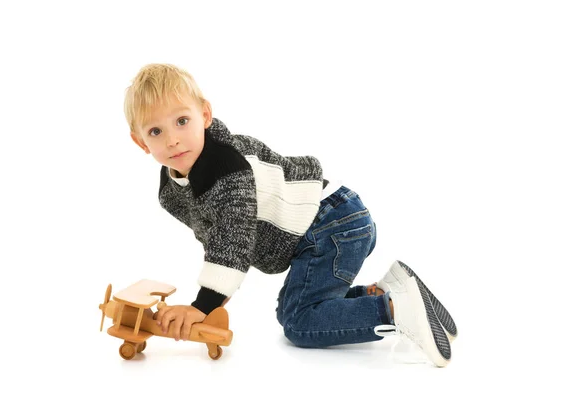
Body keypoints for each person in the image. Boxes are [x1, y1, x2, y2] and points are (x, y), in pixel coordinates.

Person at [123, 63, 458, 367]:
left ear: (205, 115)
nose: (173, 140)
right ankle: (385, 292)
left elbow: (233, 237)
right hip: (323, 227)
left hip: (332, 225)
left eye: (182, 121)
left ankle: (398, 309)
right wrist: (212, 303)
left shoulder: (225, 168)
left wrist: (202, 306)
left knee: (299, 322)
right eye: (156, 132)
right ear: (141, 143)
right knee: (293, 309)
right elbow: (219, 239)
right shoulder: (173, 190)